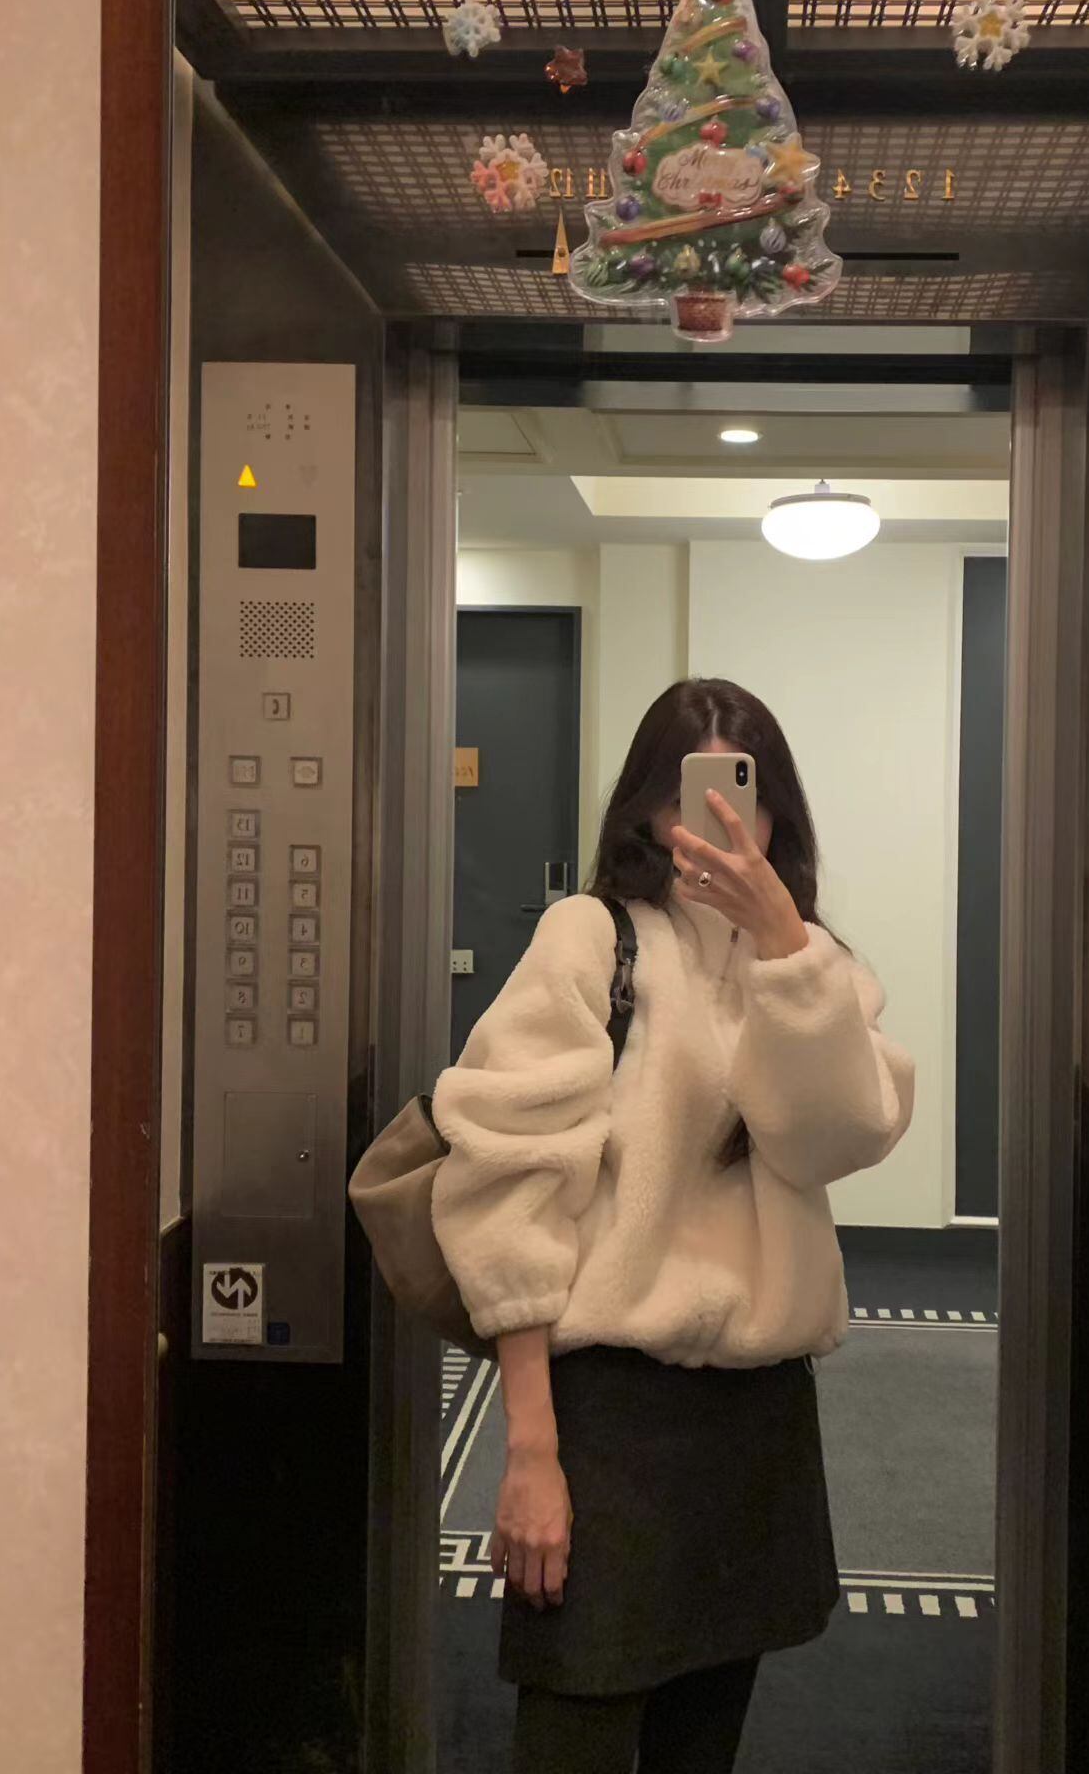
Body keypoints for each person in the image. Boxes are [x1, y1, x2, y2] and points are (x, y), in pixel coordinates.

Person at [432, 677, 915, 1773]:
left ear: (779, 810)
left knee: (703, 1743)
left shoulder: (812, 965)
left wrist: (785, 949)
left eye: (749, 797)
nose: (719, 825)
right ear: (647, 809)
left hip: (757, 1415)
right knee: (576, 1737)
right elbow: (507, 1195)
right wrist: (532, 1452)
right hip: (609, 1414)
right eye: (688, 796)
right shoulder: (589, 939)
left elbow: (832, 1139)